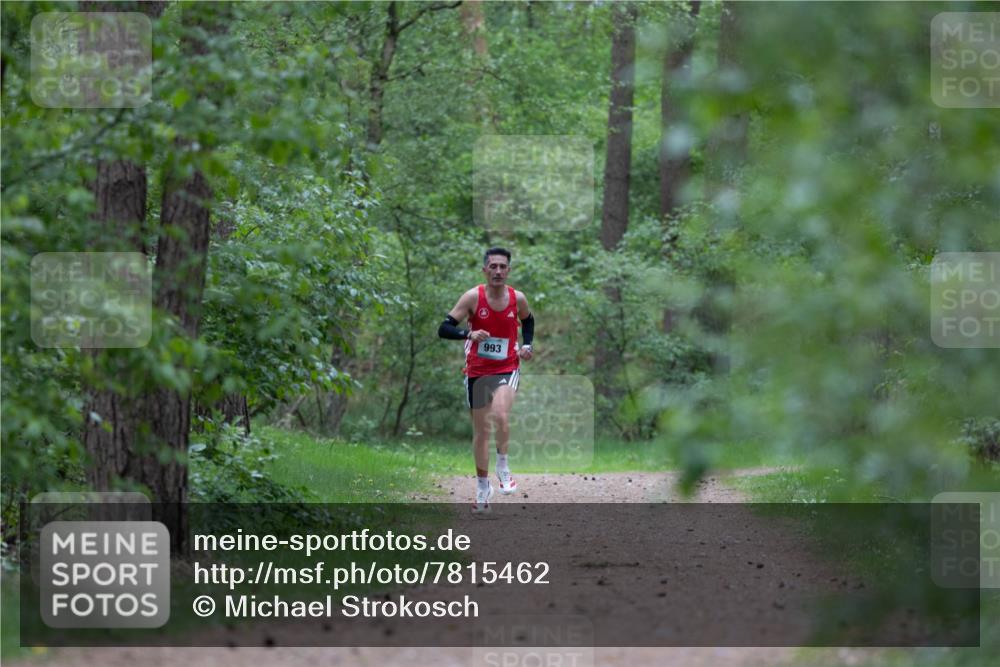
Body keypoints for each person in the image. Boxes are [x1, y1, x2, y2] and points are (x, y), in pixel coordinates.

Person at [438, 247, 535, 514]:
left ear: (509, 271)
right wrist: (468, 335)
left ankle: (503, 466)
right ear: (485, 270)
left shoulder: (518, 298)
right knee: (482, 432)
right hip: (477, 371)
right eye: (493, 266)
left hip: (507, 367)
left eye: (503, 267)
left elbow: (528, 321)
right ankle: (483, 488)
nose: (498, 271)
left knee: (501, 415)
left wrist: (527, 345)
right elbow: (443, 328)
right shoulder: (472, 297)